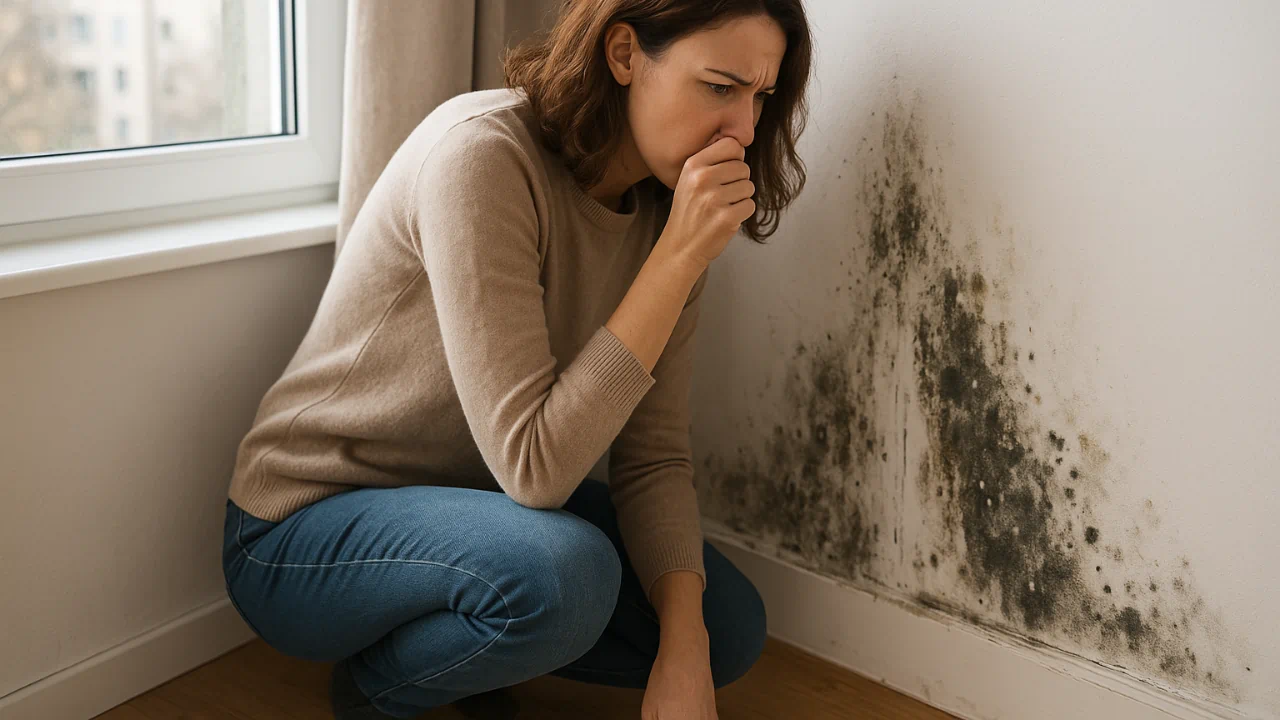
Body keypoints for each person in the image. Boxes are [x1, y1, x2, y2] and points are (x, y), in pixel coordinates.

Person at [221, 1, 812, 717]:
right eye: (720, 87)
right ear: (623, 55)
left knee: (725, 630)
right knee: (569, 575)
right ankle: (381, 686)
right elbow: (534, 470)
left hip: (477, 504)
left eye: (761, 96)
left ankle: (472, 636)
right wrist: (679, 258)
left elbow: (653, 457)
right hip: (303, 531)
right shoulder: (483, 156)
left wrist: (683, 651)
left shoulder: (667, 214)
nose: (744, 130)